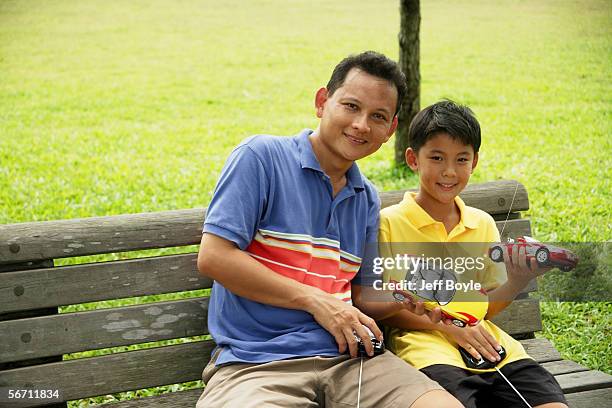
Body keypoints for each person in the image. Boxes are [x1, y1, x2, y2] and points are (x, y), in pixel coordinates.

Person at [195, 52, 463, 407]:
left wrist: (405, 296)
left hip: (355, 361)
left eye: (378, 117)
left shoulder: (365, 197)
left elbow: (363, 295)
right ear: (322, 102)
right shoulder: (260, 158)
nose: (361, 125)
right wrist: (315, 301)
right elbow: (214, 257)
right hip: (256, 365)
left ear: (390, 130)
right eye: (351, 106)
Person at [378, 100, 568, 408]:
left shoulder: (482, 223)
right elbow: (386, 304)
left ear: (474, 161)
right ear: (413, 159)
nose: (449, 171)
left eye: (461, 159)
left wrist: (518, 279)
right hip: (427, 353)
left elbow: (485, 307)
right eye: (437, 158)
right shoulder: (389, 223)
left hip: (495, 350)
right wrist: (449, 327)